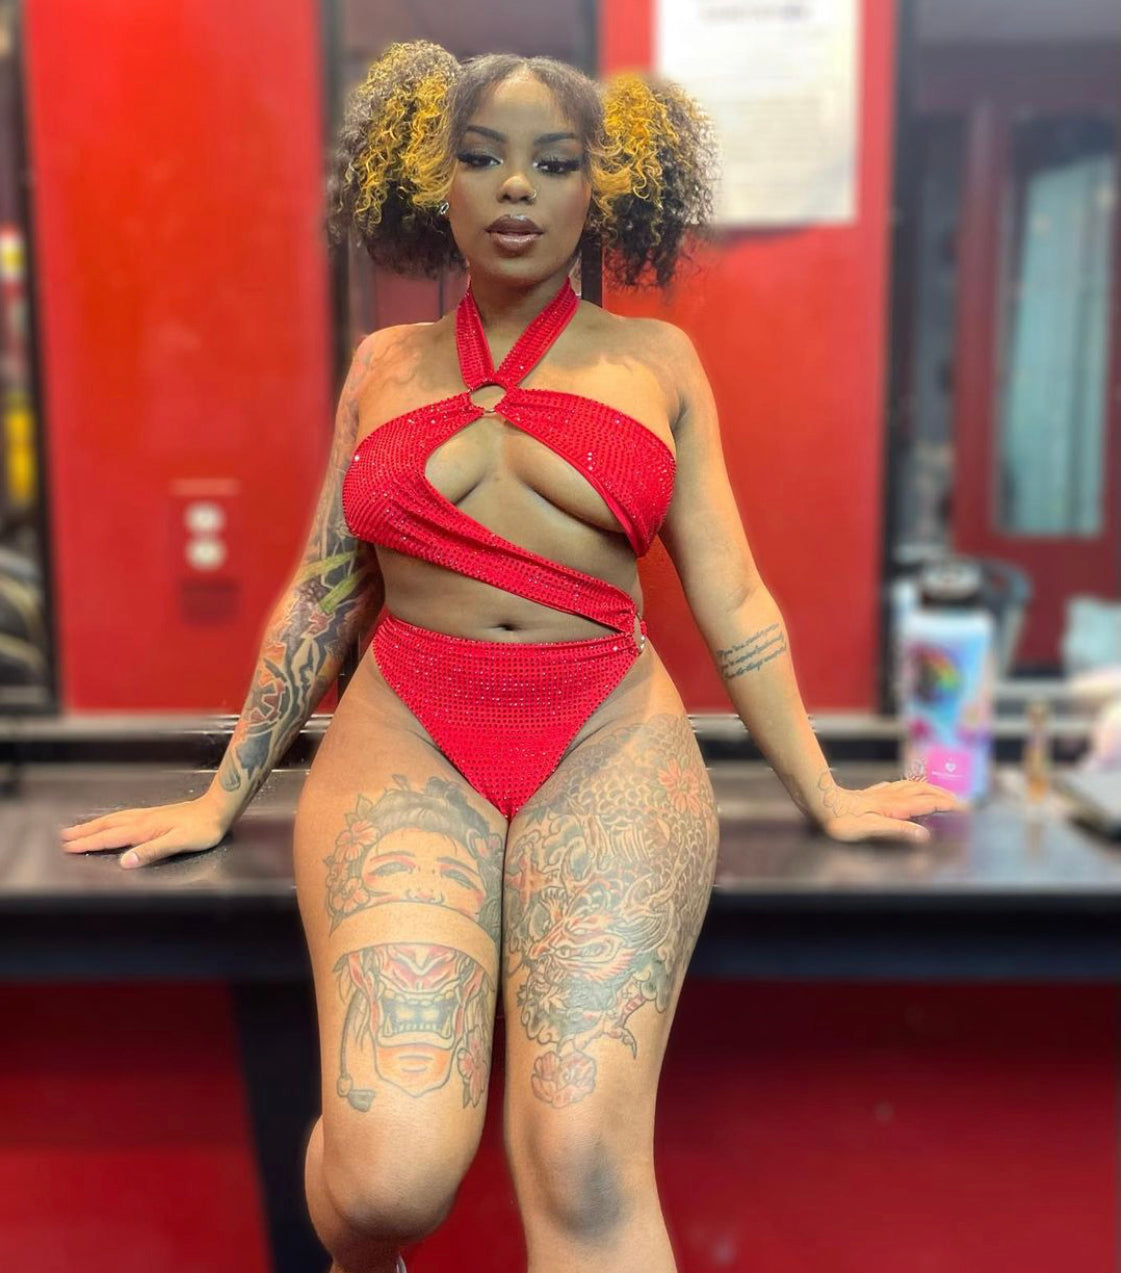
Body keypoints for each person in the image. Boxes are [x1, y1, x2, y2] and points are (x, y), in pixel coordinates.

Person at [60, 40, 963, 1273]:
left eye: (554, 162)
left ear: (603, 186)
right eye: (481, 159)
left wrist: (825, 791)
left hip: (603, 731)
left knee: (584, 1162)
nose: (517, 189)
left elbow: (733, 597)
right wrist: (222, 795)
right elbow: (323, 593)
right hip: (407, 726)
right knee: (387, 1181)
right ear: (434, 183)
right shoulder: (381, 365)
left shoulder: (657, 362)